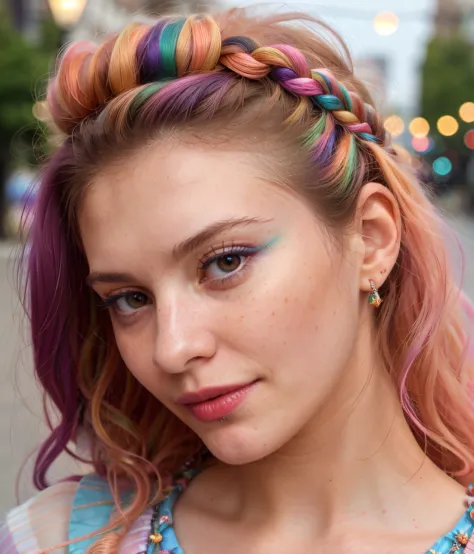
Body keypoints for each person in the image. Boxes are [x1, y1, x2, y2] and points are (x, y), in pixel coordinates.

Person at [1, 6, 474, 554]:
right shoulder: (55, 540)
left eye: (224, 262)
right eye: (129, 299)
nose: (173, 348)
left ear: (370, 239)